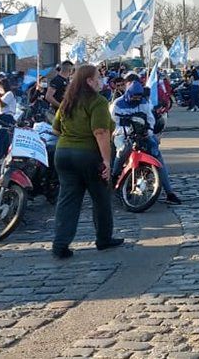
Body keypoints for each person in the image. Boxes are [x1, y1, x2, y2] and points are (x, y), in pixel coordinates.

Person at [51, 64, 124, 258]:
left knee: (67, 200)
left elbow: (55, 129)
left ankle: (60, 243)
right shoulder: (97, 102)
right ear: (89, 81)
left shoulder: (68, 101)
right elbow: (100, 132)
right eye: (98, 78)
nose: (101, 82)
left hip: (63, 154)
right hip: (88, 155)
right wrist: (107, 162)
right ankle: (103, 238)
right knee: (101, 197)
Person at [112, 80, 182, 205]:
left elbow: (150, 119)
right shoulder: (117, 104)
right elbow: (115, 122)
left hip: (142, 134)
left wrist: (149, 131)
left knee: (157, 154)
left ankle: (169, 193)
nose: (136, 99)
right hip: (123, 134)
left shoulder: (144, 103)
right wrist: (127, 129)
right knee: (123, 149)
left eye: (139, 96)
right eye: (134, 96)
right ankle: (114, 174)